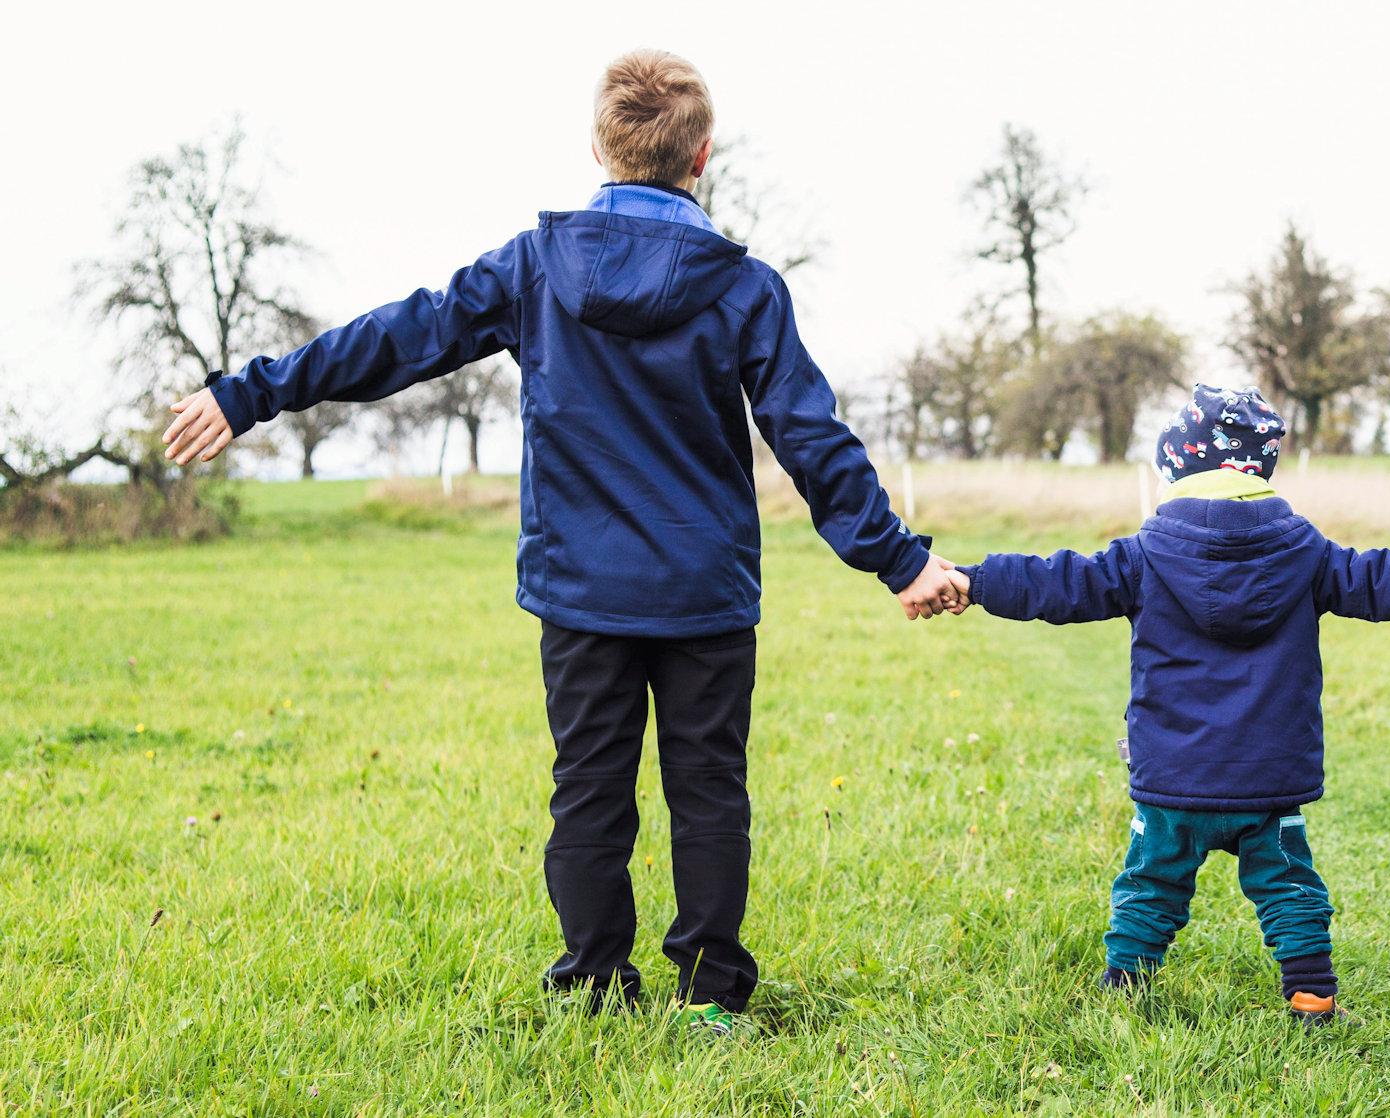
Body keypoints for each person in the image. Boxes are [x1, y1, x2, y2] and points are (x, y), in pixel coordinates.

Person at [158, 49, 964, 1034]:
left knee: (587, 792)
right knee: (709, 789)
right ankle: (709, 996)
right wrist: (900, 558)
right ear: (701, 154)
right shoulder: (745, 287)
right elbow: (810, 437)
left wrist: (249, 393)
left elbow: (398, 336)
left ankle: (591, 982)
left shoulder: (536, 267)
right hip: (703, 591)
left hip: (581, 591)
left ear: (597, 145)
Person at [940, 385, 1390, 1023]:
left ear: (1178, 468)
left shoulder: (1144, 555)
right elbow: (1383, 577)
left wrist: (975, 580)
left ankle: (1123, 985)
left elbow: (1059, 582)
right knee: (1289, 888)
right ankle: (1311, 995)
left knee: (1151, 883)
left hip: (1173, 778)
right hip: (1267, 777)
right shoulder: (1306, 553)